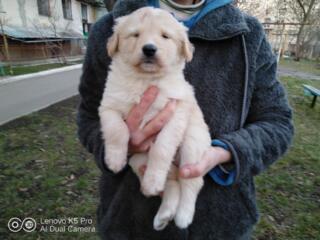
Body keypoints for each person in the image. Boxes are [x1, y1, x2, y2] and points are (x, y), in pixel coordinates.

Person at [77, 0, 294, 239]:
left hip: (224, 225)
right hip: (130, 223)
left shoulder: (247, 35)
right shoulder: (110, 27)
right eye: (137, 35)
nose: (149, 43)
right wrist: (119, 143)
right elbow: (89, 116)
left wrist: (225, 152)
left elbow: (277, 122)